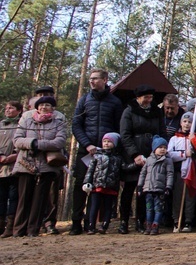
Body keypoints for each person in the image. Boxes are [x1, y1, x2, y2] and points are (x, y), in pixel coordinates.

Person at [70, 68, 123, 235]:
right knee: (80, 185)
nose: (92, 81)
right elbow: (76, 125)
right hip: (86, 151)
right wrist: (87, 145)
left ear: (105, 79)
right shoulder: (84, 100)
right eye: (90, 79)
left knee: (100, 187)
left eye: (95, 79)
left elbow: (118, 128)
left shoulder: (115, 102)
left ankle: (91, 223)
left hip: (105, 153)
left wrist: (111, 147)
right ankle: (76, 222)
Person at [11, 96, 67, 237]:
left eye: (47, 105)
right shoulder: (26, 119)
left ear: (53, 108)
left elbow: (59, 142)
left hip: (47, 165)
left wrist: (38, 145)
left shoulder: (58, 122)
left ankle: (33, 230)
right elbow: (17, 140)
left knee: (40, 199)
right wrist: (32, 143)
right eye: (41, 105)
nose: (43, 107)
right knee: (24, 198)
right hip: (26, 163)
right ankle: (18, 230)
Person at [120, 84, 166, 234]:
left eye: (151, 97)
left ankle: (141, 221)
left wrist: (158, 153)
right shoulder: (129, 111)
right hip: (132, 154)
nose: (148, 100)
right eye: (146, 97)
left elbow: (162, 132)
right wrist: (135, 155)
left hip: (151, 154)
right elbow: (125, 135)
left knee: (145, 190)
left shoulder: (157, 112)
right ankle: (124, 221)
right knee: (129, 189)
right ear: (138, 97)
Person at [82, 132, 129, 234]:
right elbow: (90, 170)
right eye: (104, 141)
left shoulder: (118, 158)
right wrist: (87, 182)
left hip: (111, 186)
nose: (106, 144)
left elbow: (125, 168)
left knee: (108, 207)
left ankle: (104, 226)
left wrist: (136, 164)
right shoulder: (96, 156)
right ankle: (91, 226)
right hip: (97, 185)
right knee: (94, 206)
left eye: (109, 142)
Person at [168, 112, 196, 232]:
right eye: (185, 122)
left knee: (190, 197)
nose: (187, 124)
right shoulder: (174, 138)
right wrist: (184, 154)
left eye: (190, 122)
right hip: (179, 171)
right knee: (177, 196)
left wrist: (193, 141)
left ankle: (188, 221)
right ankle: (176, 220)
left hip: (192, 172)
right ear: (181, 123)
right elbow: (169, 154)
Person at [137, 136, 174, 235]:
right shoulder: (149, 160)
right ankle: (148, 226)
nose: (163, 149)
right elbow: (143, 173)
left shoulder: (167, 160)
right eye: (160, 147)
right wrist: (140, 186)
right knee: (149, 208)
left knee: (158, 209)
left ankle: (155, 226)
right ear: (154, 148)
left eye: (165, 147)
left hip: (160, 190)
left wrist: (168, 187)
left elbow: (170, 174)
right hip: (148, 189)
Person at [0, 101, 22, 237]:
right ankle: (0, 224)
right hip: (1, 166)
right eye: (6, 108)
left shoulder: (22, 124)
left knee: (13, 196)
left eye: (11, 108)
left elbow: (23, 141)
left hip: (16, 165)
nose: (7, 110)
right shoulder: (1, 124)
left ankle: (11, 225)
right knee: (1, 196)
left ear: (19, 111)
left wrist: (15, 155)